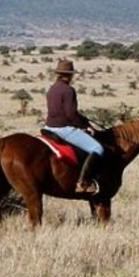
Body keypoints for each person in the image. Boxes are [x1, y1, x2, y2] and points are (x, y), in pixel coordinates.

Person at [43, 59, 104, 193]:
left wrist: (83, 121)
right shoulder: (69, 90)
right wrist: (87, 126)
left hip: (48, 127)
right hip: (63, 129)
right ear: (70, 75)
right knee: (98, 148)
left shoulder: (52, 89)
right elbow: (71, 114)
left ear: (58, 74)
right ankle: (83, 182)